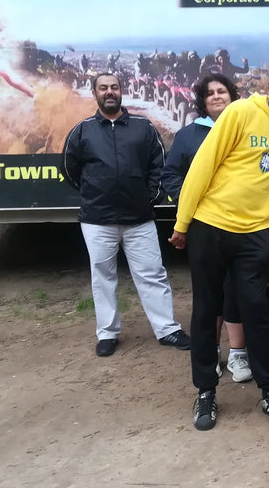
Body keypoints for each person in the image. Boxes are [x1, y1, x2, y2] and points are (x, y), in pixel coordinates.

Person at [169, 64, 269, 432]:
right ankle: (206, 391)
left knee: (257, 313)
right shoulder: (241, 111)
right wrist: (183, 222)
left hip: (254, 236)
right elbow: (204, 164)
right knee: (205, 311)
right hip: (210, 226)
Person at [61, 73, 190, 357]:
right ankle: (107, 333)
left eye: (114, 87)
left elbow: (159, 165)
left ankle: (167, 329)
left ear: (122, 91)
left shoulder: (143, 128)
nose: (110, 92)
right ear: (95, 93)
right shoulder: (82, 131)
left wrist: (149, 198)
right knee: (103, 277)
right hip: (97, 221)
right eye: (103, 88)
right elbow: (70, 169)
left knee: (152, 274)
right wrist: (93, 192)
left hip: (139, 219)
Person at [161, 73, 252, 384]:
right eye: (210, 92)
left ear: (232, 96)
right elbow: (171, 175)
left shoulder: (246, 130)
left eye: (222, 91)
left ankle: (238, 354)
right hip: (203, 226)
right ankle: (211, 354)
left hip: (241, 225)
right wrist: (188, 206)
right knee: (208, 292)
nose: (217, 96)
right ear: (202, 100)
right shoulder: (188, 136)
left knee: (236, 289)